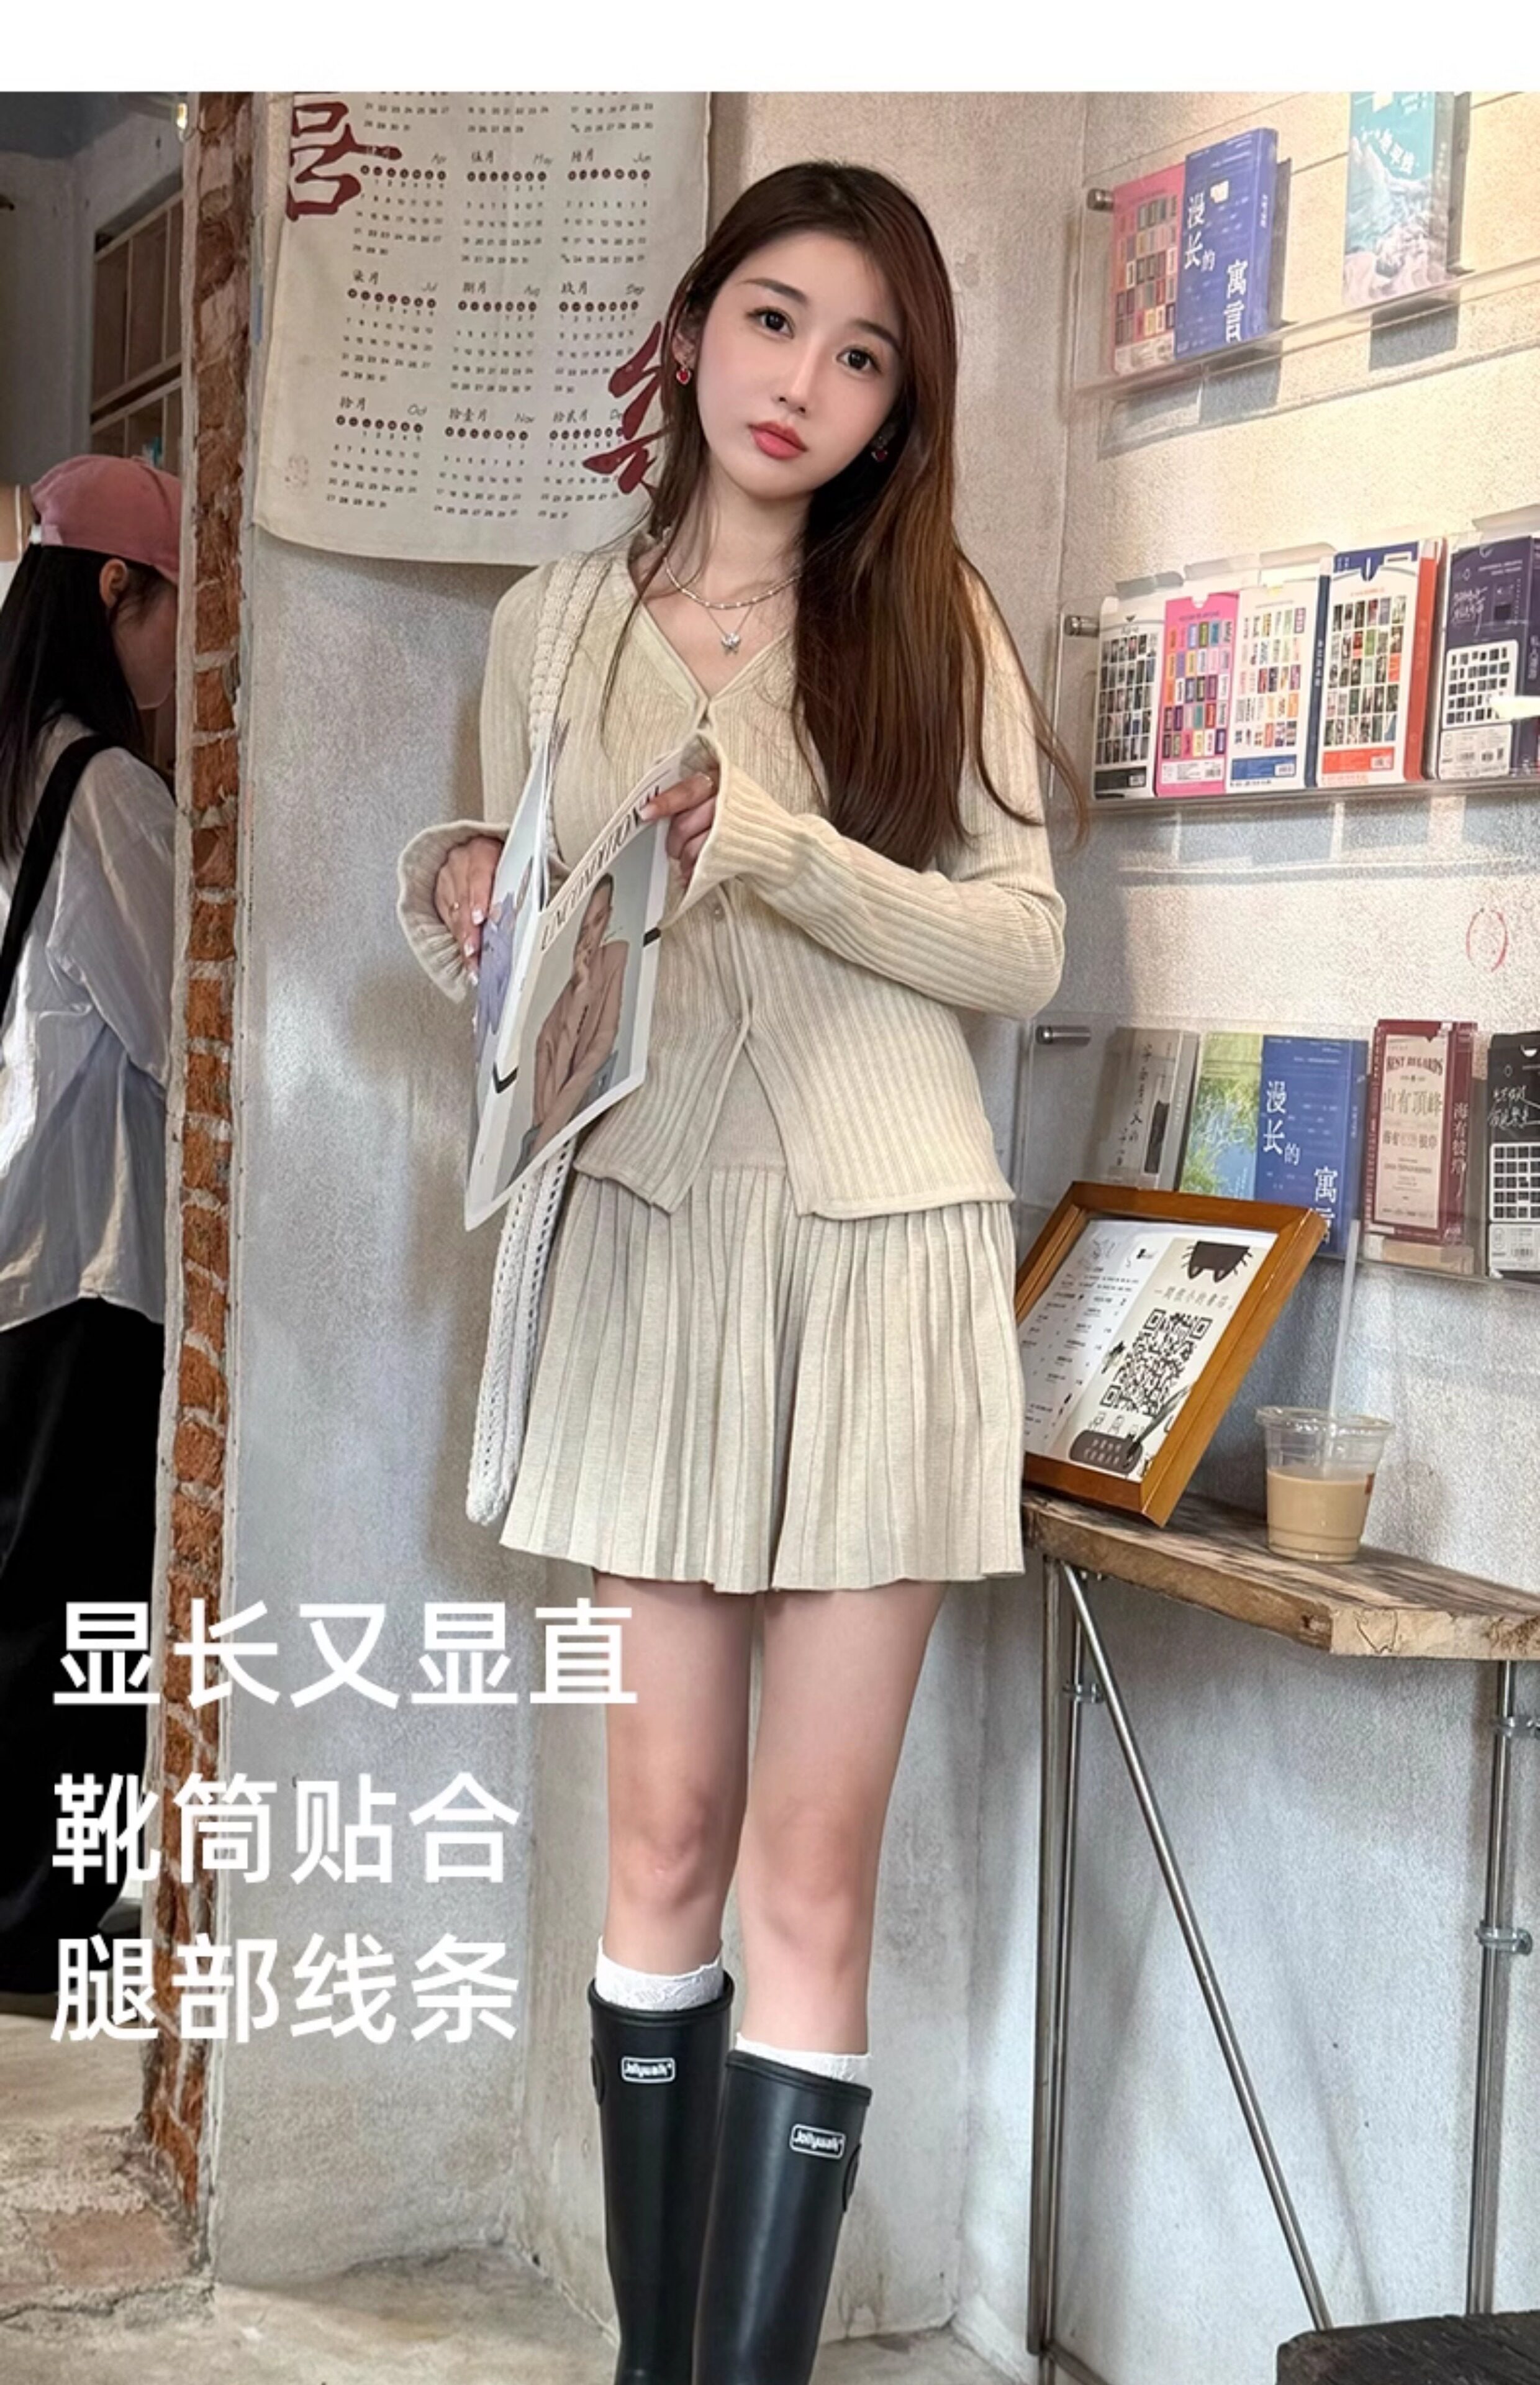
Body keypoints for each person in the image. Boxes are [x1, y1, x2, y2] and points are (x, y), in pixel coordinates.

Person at [397, 162, 1080, 2384]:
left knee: (806, 1871)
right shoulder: (550, 626)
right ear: (692, 331)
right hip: (650, 1255)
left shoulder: (930, 619)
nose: (806, 382)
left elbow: (1021, 946)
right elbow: (546, 968)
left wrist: (776, 847)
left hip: (884, 1263)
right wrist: (474, 891)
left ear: (898, 408)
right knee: (664, 1833)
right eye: (776, 320)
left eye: (864, 355)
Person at [0, 455, 181, 1996]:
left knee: (20, 1591)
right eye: (178, 608)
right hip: (83, 1254)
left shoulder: (11, 771)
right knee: (75, 1608)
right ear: (118, 587)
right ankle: (38, 1922)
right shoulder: (104, 791)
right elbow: (183, 1020)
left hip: (16, 1243)